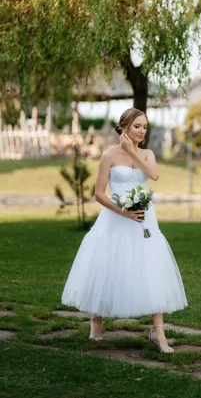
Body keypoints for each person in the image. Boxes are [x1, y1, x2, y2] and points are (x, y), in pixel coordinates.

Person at [61, 108, 188, 354]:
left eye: (145, 127)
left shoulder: (147, 154)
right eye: (137, 126)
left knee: (151, 268)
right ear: (125, 127)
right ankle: (96, 321)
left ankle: (158, 332)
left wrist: (132, 151)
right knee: (107, 265)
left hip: (144, 220)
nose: (142, 131)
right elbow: (98, 194)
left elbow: (154, 175)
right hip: (115, 218)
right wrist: (123, 212)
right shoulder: (108, 155)